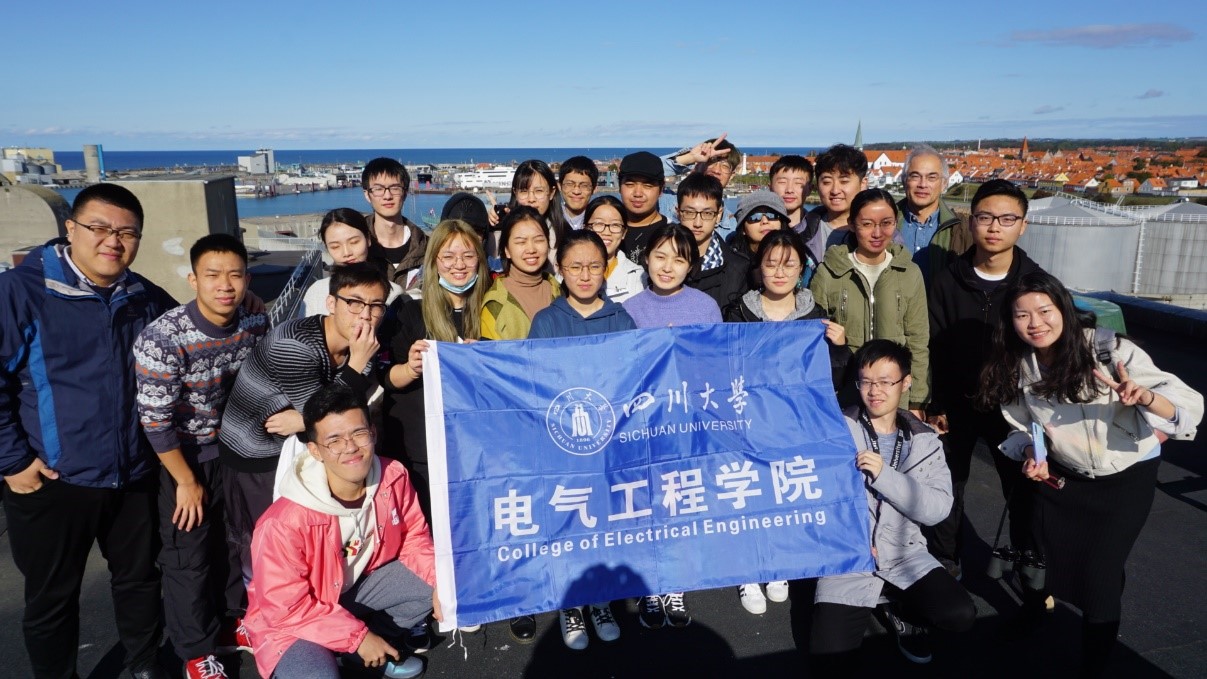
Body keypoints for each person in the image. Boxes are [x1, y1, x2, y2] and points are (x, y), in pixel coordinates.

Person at [978, 271, 1202, 677]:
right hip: (1064, 477)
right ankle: (1034, 612)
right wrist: (1031, 452)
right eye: (1022, 315)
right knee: (1043, 554)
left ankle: (1094, 663)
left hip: (1125, 478)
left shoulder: (1108, 350)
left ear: (1063, 309)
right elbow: (1019, 425)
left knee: (1101, 576)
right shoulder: (1017, 365)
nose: (1035, 323)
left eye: (1045, 311)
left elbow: (1187, 404)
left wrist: (1146, 397)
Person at [0, 183, 177, 679]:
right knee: (52, 597)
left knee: (140, 580)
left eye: (127, 232)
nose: (112, 241)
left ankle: (144, 664)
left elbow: (192, 326)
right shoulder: (22, 291)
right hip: (52, 479)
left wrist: (243, 304)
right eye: (98, 228)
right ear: (71, 229)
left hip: (132, 473)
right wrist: (13, 462)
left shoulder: (143, 295)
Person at [133, 234, 269, 678]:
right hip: (184, 458)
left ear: (247, 279)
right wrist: (186, 481)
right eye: (212, 275)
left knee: (234, 543)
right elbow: (155, 421)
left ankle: (230, 623)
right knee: (187, 555)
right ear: (193, 279)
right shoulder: (163, 338)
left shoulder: (254, 321)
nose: (224, 285)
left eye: (235, 275)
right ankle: (195, 652)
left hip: (236, 451)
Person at [219, 263, 387, 609]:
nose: (365, 314)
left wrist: (302, 419)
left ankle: (308, 608)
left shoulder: (361, 345)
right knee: (263, 543)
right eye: (354, 302)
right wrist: (353, 369)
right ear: (331, 303)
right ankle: (255, 616)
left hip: (301, 448)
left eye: (375, 305)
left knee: (306, 541)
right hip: (257, 453)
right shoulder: (294, 343)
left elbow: (333, 411)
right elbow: (329, 418)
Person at [244, 383, 440, 679]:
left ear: (373, 433)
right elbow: (285, 608)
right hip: (292, 621)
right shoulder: (282, 523)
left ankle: (370, 654)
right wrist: (357, 637)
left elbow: (414, 539)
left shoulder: (393, 475)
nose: (350, 447)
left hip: (349, 591)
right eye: (334, 440)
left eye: (358, 433)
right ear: (315, 450)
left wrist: (440, 583)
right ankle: (352, 646)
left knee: (434, 582)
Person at [809, 340, 974, 675]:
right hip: (848, 558)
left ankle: (902, 609)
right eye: (866, 382)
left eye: (886, 381)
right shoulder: (834, 431)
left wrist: (885, 476)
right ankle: (884, 596)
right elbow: (814, 498)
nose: (875, 391)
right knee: (828, 660)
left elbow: (937, 509)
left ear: (906, 382)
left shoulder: (926, 441)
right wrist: (850, 541)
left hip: (904, 554)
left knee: (960, 614)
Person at [723, 230, 848, 616]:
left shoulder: (816, 316)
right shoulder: (738, 312)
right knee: (749, 494)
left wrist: (840, 348)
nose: (780, 272)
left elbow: (832, 379)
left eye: (789, 264)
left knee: (783, 493)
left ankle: (778, 564)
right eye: (771, 264)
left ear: (802, 268)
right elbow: (722, 367)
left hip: (796, 425)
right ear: (758, 268)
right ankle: (749, 569)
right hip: (749, 421)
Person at [925, 179, 1044, 581]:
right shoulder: (947, 281)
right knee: (947, 484)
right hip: (956, 402)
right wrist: (936, 403)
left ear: (1023, 225)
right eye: (985, 217)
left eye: (1007, 219)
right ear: (971, 221)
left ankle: (1029, 565)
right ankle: (945, 562)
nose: (995, 227)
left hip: (1015, 406)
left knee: (1023, 489)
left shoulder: (1036, 284)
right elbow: (934, 346)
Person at [528, 230, 635, 650]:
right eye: (575, 267)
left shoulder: (621, 318)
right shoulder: (547, 321)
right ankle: (570, 604)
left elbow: (633, 378)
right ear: (560, 270)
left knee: (604, 523)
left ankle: (601, 601)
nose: (585, 275)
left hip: (609, 445)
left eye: (594, 266)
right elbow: (535, 382)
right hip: (564, 445)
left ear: (606, 269)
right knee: (568, 522)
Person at [621, 223, 720, 629]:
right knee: (646, 505)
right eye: (660, 256)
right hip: (645, 425)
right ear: (646, 258)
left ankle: (676, 583)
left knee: (681, 504)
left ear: (691, 265)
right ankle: (650, 583)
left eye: (678, 259)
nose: (667, 267)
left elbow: (714, 365)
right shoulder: (629, 308)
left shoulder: (705, 307)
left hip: (688, 424)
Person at [810, 188, 929, 412]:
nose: (877, 233)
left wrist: (917, 400)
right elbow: (815, 340)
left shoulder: (910, 273)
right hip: (845, 392)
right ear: (852, 224)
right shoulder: (829, 273)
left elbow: (918, 341)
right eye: (867, 224)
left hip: (895, 395)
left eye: (886, 223)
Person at [300, 208, 404, 316]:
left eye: (354, 242)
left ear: (368, 239)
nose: (346, 253)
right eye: (335, 246)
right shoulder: (316, 291)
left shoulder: (394, 294)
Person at [480, 206, 561, 341]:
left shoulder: (560, 292)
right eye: (521, 242)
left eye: (538, 240)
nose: (531, 249)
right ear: (507, 250)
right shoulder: (495, 304)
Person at [896, 145, 970, 283]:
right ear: (904, 181)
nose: (923, 184)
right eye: (915, 176)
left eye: (931, 177)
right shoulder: (885, 221)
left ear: (944, 184)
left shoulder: (962, 228)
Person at [676, 173, 750, 311]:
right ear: (678, 212)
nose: (697, 223)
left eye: (707, 213)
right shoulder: (661, 261)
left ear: (719, 214)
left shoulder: (738, 268)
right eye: (689, 212)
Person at [363, 157, 428, 296]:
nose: (387, 196)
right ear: (367, 195)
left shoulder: (427, 246)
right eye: (378, 189)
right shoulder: (357, 246)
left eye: (395, 188)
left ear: (405, 193)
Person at [659, 134, 742, 240]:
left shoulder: (732, 226)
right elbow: (643, 173)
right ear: (698, 165)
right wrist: (689, 158)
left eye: (725, 166)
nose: (717, 170)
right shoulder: (666, 203)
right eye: (711, 162)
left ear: (732, 175)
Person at [803, 144, 869, 257]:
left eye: (844, 181)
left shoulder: (882, 234)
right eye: (827, 182)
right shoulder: (802, 230)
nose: (835, 190)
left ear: (863, 184)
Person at [583, 195, 645, 303]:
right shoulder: (569, 270)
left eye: (615, 225)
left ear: (624, 233)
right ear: (586, 228)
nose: (607, 232)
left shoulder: (637, 276)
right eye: (599, 224)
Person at [617, 151, 671, 262]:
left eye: (648, 185)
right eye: (630, 184)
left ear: (661, 189)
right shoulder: (607, 229)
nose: (638, 193)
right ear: (619, 186)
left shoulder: (671, 234)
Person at [770, 154, 814, 232]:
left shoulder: (820, 230)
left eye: (798, 183)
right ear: (770, 188)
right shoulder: (759, 229)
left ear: (809, 189)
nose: (789, 190)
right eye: (782, 182)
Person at [559, 155, 599, 230]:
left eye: (584, 186)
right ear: (559, 186)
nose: (576, 191)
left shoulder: (600, 223)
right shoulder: (548, 221)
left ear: (594, 189)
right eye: (569, 184)